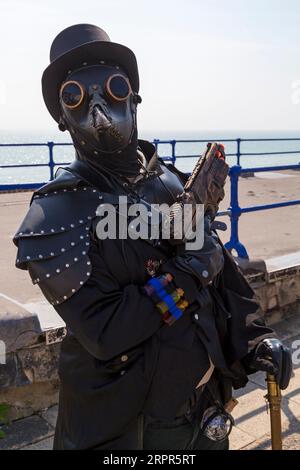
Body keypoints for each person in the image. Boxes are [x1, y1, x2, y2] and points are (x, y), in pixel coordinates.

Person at [14, 24, 292, 450]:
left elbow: (222, 273)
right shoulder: (56, 214)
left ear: (134, 97)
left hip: (204, 412)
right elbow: (105, 331)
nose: (99, 106)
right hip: (131, 432)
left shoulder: (169, 181)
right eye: (76, 96)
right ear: (61, 117)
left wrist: (255, 339)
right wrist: (186, 272)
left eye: (114, 87)